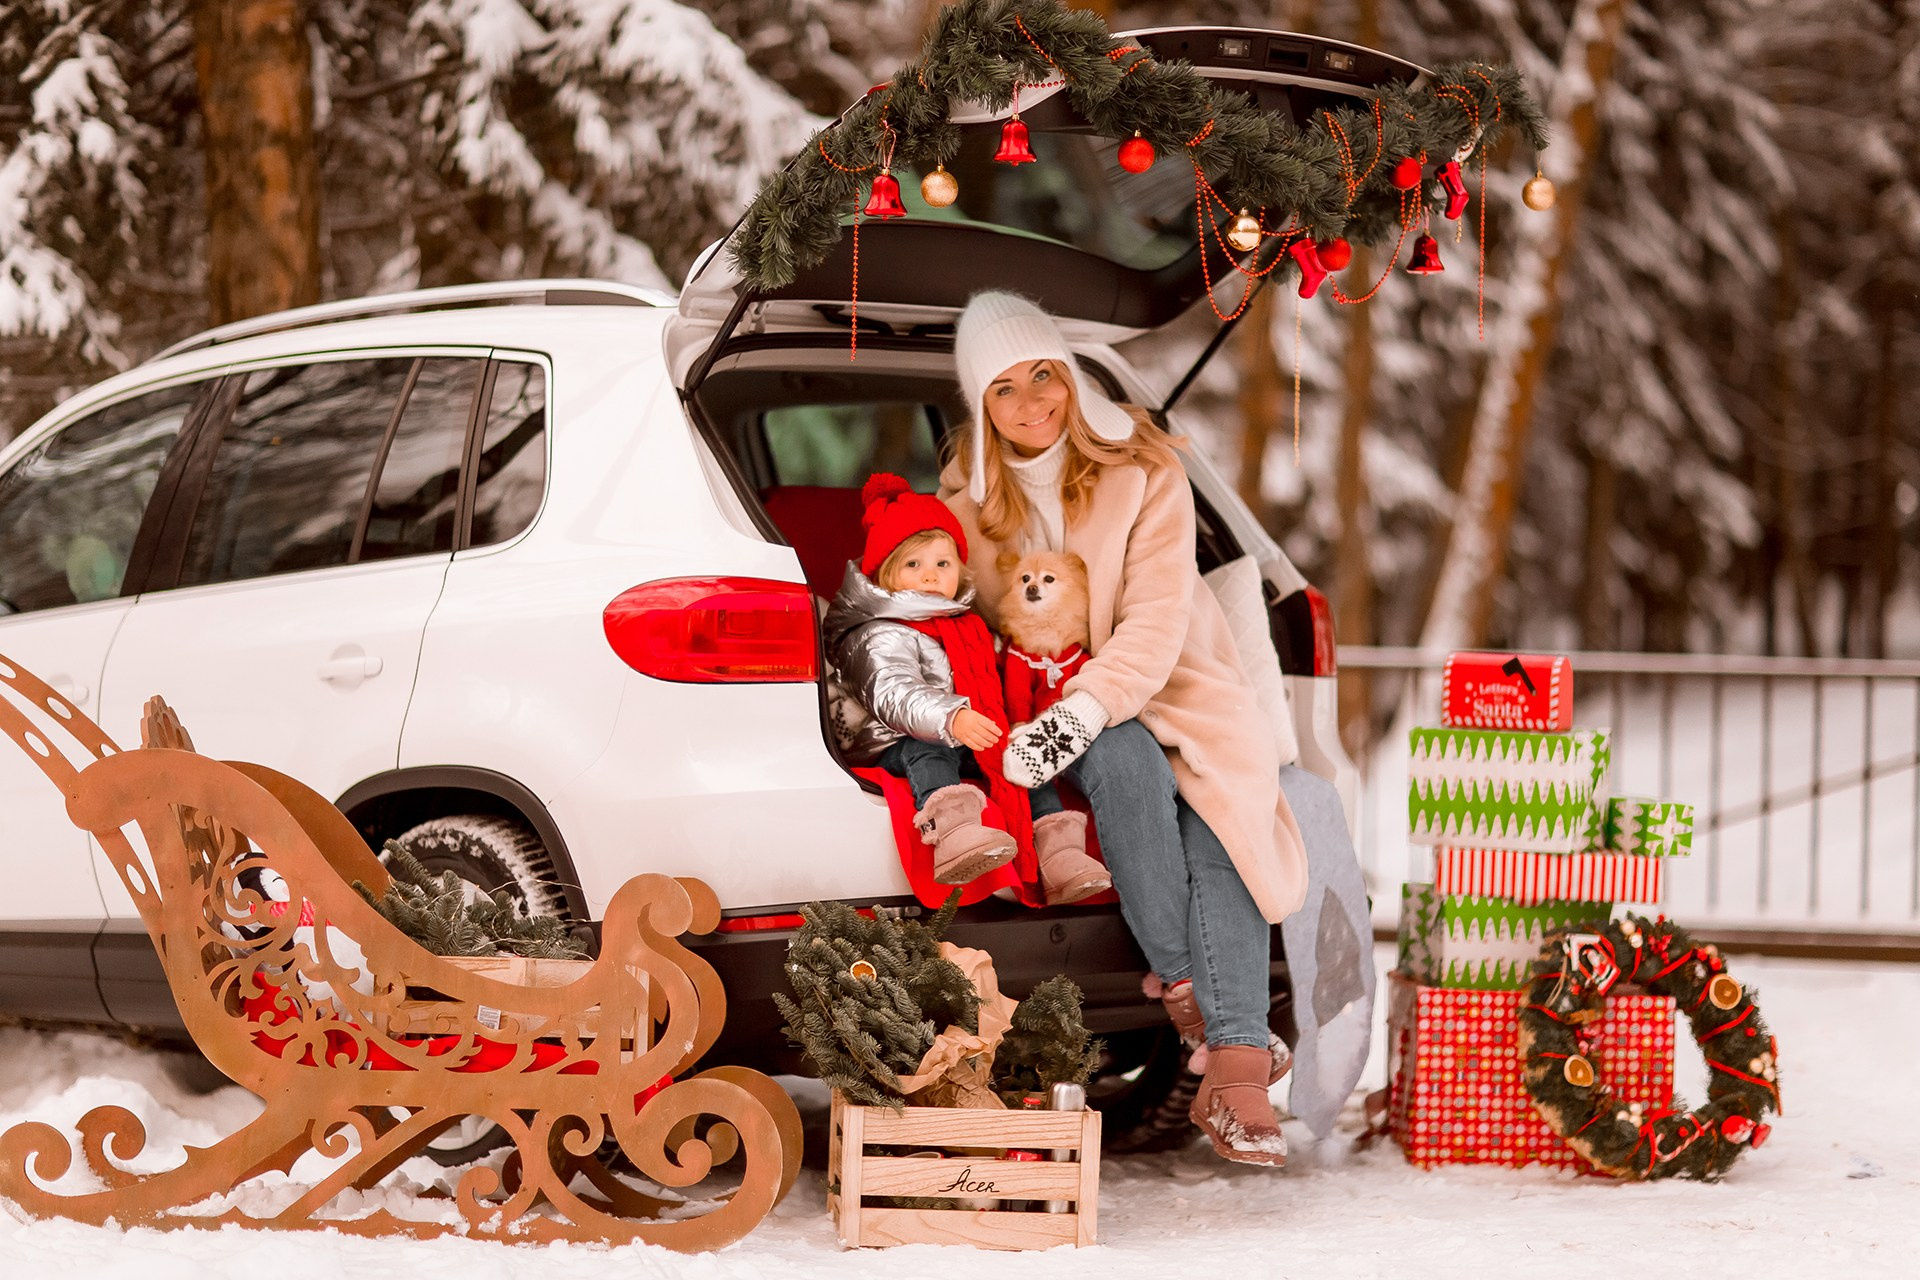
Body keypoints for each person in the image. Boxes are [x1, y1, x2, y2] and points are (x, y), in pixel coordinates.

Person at [940, 289, 1330, 1165]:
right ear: (981, 403)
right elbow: (954, 620)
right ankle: (1200, 1007)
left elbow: (1155, 621)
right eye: (1004, 387)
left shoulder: (1144, 470)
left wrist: (1082, 711)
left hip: (1176, 679)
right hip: (1046, 697)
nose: (1032, 401)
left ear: (1072, 377)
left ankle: (1235, 1070)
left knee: (1221, 814)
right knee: (1124, 763)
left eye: (1045, 374)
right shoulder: (964, 505)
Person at [823, 473, 1113, 904]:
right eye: (913, 565)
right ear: (885, 575)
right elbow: (893, 693)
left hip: (967, 731)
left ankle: (1060, 856)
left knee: (1023, 759)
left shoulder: (968, 625)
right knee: (929, 751)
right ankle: (955, 836)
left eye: (942, 564)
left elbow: (996, 675)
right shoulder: (880, 633)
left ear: (959, 569)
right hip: (897, 739)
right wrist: (951, 717)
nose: (930, 576)